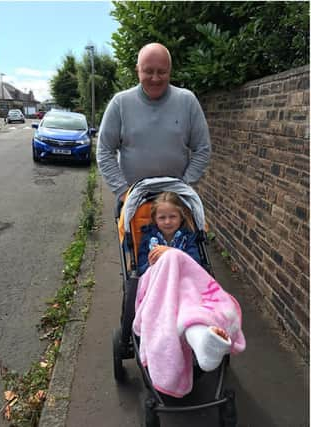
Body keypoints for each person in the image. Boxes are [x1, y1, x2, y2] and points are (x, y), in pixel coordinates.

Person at [132, 192, 245, 397]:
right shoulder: (149, 237)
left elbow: (194, 266)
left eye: (172, 217)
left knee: (191, 309)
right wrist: (167, 259)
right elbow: (141, 267)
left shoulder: (187, 237)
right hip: (159, 285)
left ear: (181, 217)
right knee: (174, 308)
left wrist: (172, 253)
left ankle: (203, 342)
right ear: (155, 219)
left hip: (185, 286)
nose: (167, 222)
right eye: (162, 218)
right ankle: (199, 343)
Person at [97, 42, 211, 201]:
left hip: (175, 204)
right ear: (138, 70)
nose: (155, 78)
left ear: (170, 71)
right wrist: (122, 191)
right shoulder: (120, 103)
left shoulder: (187, 101)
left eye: (162, 72)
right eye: (148, 71)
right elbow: (104, 150)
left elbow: (203, 149)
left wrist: (185, 185)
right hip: (133, 202)